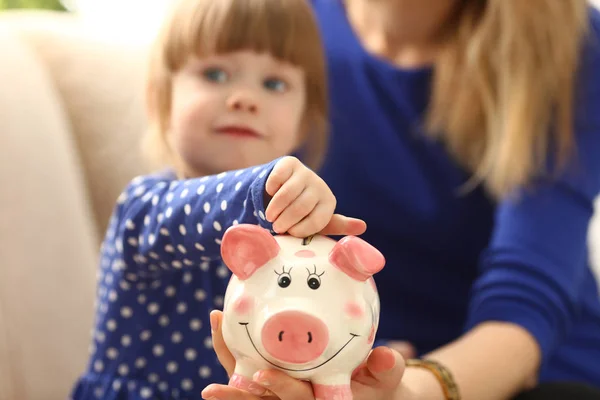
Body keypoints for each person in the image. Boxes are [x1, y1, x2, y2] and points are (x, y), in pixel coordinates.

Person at [201, 0, 600, 400]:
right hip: (330, 364)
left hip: (528, 375)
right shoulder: (271, 18)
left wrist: (409, 391)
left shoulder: (570, 39)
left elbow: (527, 295)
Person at [69, 0, 367, 398]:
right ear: (162, 99)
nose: (245, 98)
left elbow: (319, 314)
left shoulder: (300, 240)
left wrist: (359, 355)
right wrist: (261, 188)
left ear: (302, 121)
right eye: (215, 74)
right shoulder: (141, 209)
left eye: (274, 83)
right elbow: (192, 216)